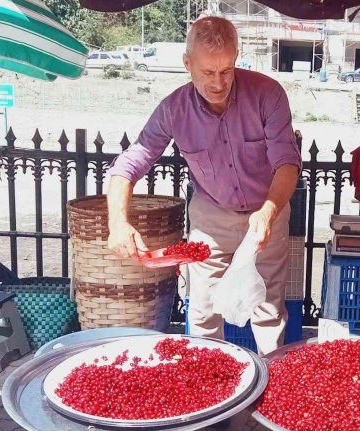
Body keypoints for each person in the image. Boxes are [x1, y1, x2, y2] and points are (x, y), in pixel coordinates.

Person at [106, 16, 302, 355]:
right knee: (203, 311)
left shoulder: (268, 94)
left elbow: (287, 162)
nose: (218, 83)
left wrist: (269, 212)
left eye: (226, 71)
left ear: (236, 58)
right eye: (207, 72)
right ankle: (212, 390)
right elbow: (129, 163)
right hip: (211, 219)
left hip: (267, 213)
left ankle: (272, 383)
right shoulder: (173, 109)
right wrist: (117, 223)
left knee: (268, 309)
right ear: (187, 63)